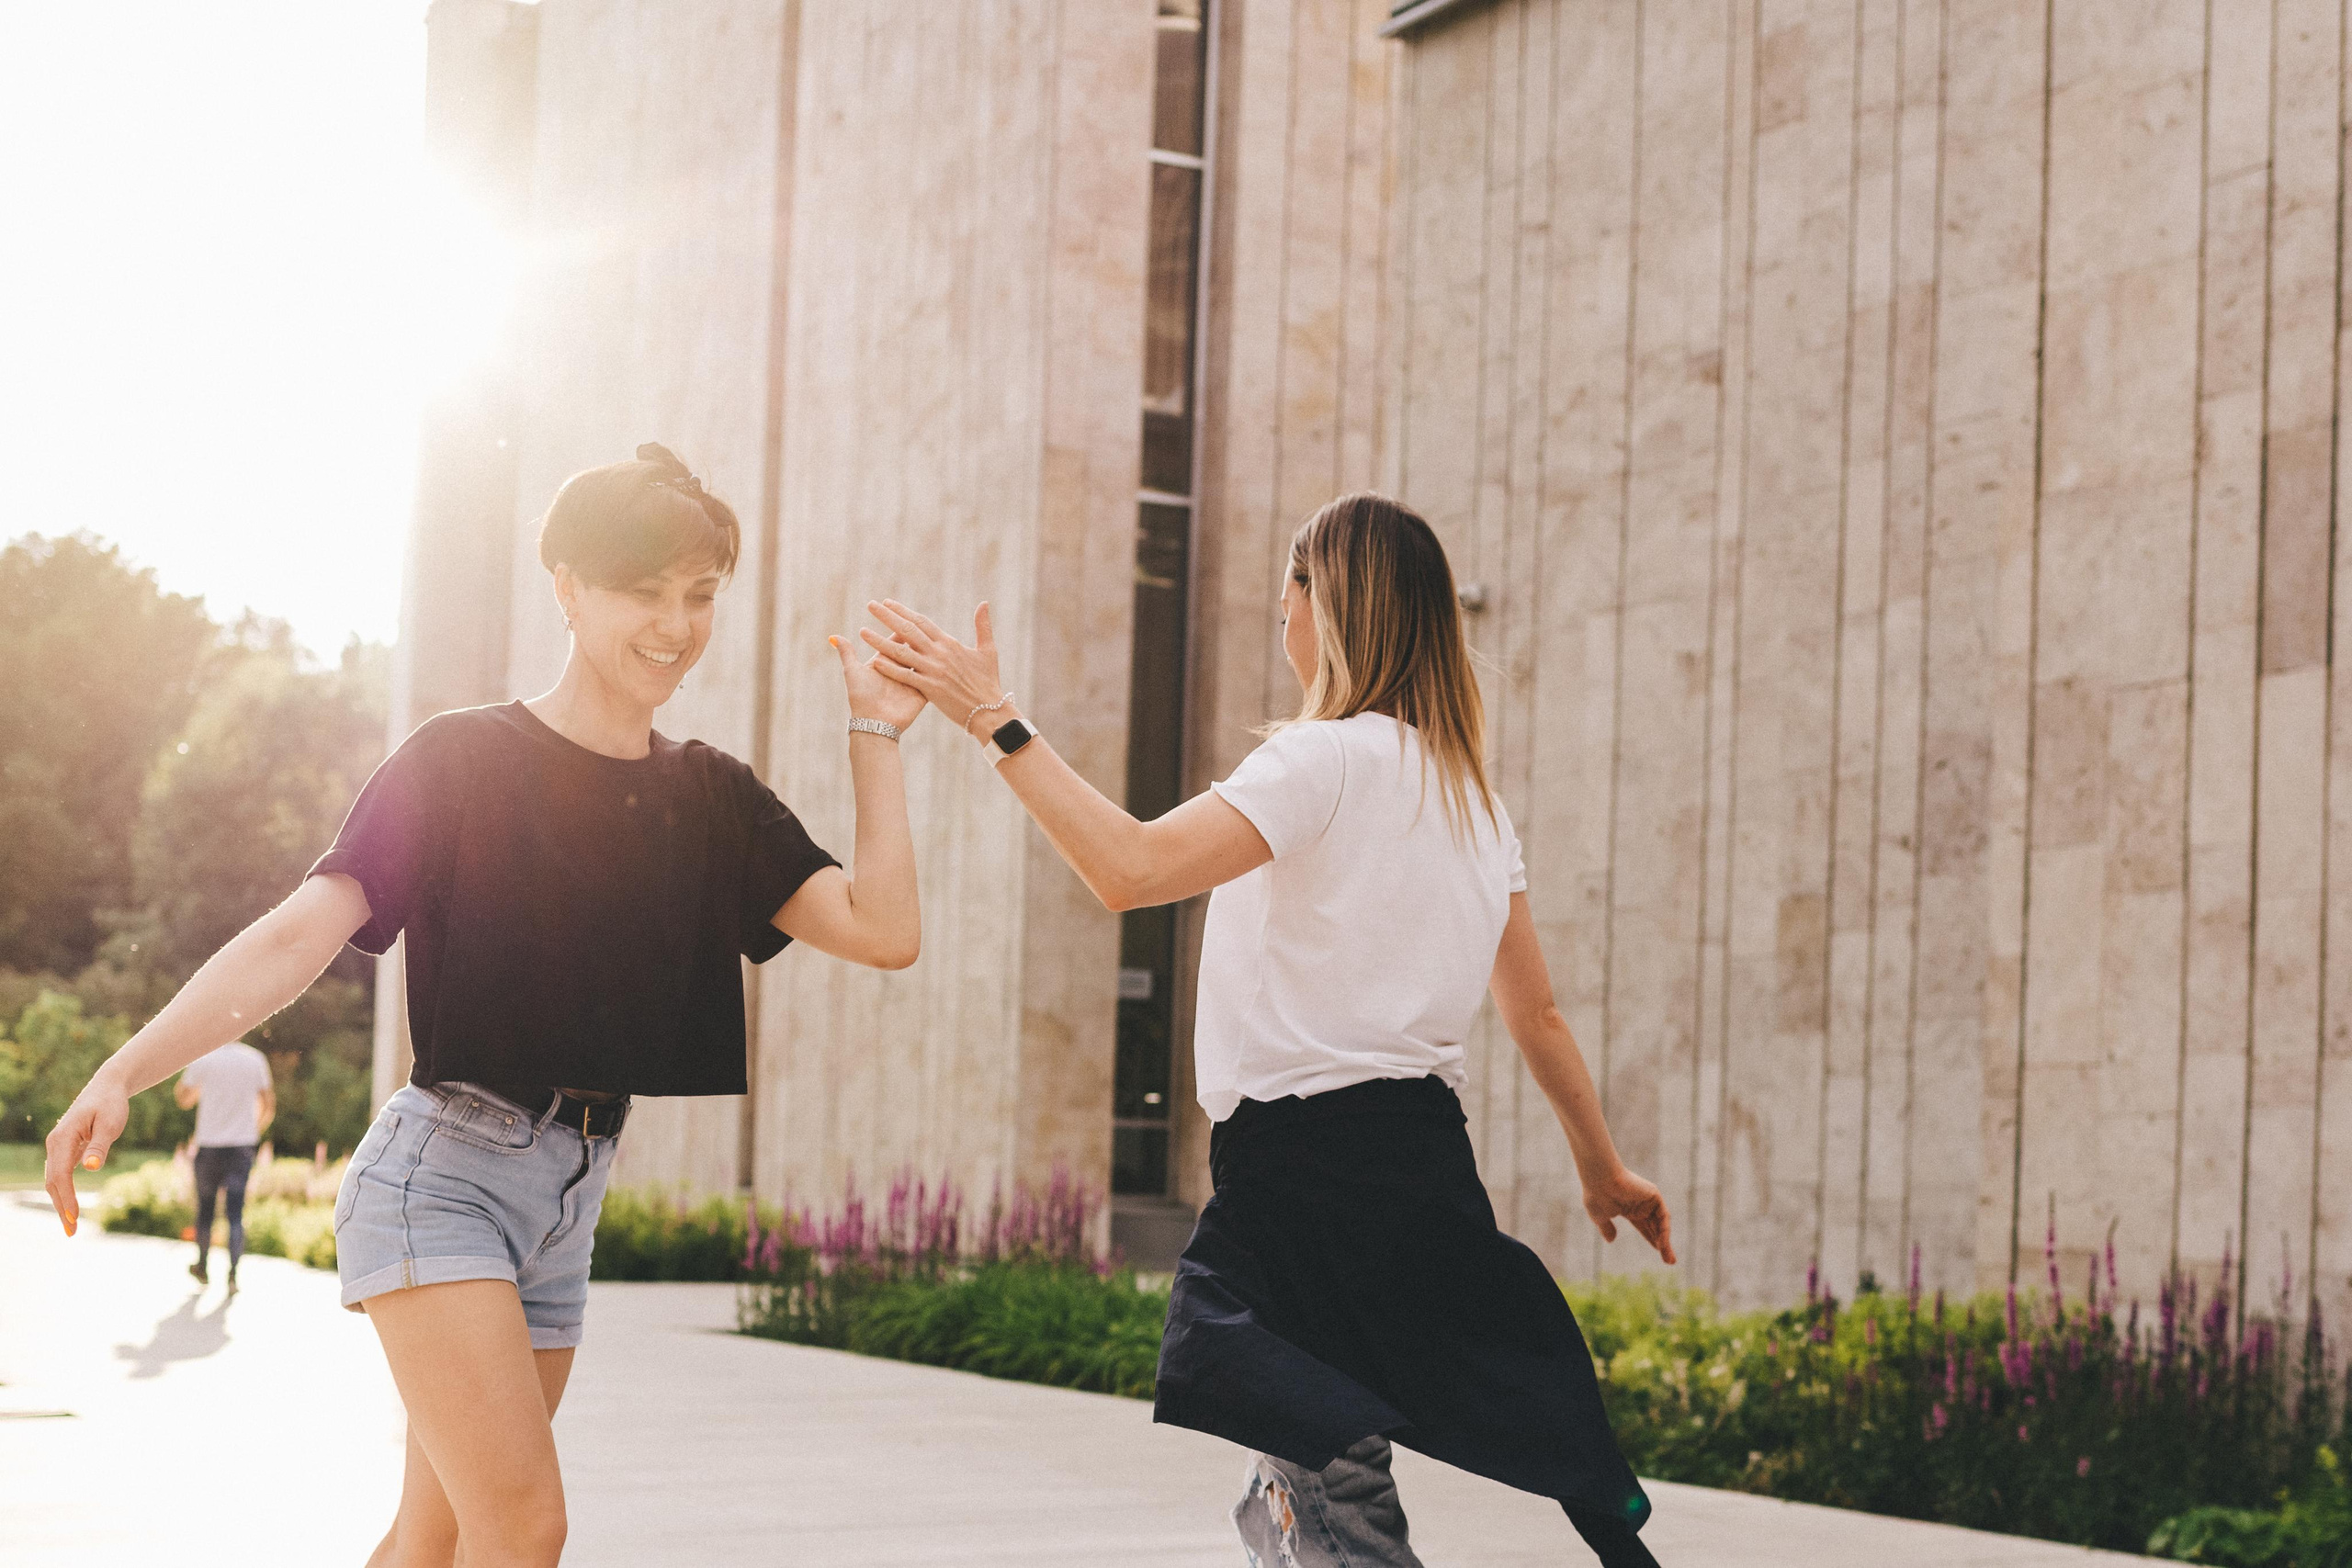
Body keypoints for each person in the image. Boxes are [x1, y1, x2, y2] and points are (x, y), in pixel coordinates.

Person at [45, 444, 927, 1568]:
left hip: (568, 1198)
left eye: (699, 594)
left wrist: (878, 732)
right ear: (566, 586)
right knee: (523, 1526)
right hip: (441, 1175)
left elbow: (883, 931)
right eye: (643, 590)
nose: (677, 623)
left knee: (435, 1536)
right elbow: (297, 934)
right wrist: (124, 1070)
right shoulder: (463, 758)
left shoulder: (712, 793)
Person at [863, 491, 1675, 1568]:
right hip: (1424, 1168)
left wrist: (993, 720)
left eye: (1288, 587)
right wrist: (1602, 1168)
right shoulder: (1473, 802)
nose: (1275, 611)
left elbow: (1131, 869)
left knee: (1329, 1479)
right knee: (1284, 1489)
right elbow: (1537, 1013)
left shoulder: (1319, 761)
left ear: (1325, 605)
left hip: (1306, 1175)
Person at [173, 1039, 274, 1290]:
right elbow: (268, 1104)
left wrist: (200, 1089)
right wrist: (254, 1130)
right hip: (241, 1147)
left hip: (209, 1146)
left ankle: (203, 1267)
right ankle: (233, 1276)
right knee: (235, 1215)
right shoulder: (255, 1059)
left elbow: (182, 1099)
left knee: (205, 1211)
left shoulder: (204, 1058)